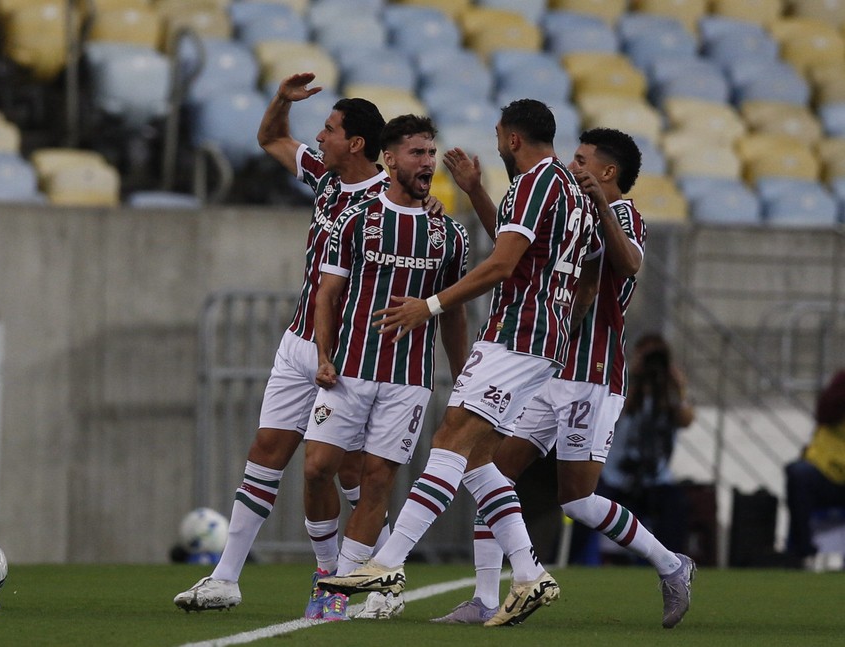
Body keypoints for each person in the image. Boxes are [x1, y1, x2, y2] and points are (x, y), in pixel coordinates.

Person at [318, 99, 600, 627]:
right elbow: (525, 250)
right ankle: (530, 573)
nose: (495, 144)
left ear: (513, 139)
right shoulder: (569, 190)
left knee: (449, 439)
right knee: (476, 460)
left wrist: (428, 304)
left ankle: (387, 561)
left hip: (519, 333)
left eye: (498, 135)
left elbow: (502, 264)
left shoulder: (537, 183)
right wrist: (474, 191)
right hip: (545, 337)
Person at [173, 73, 434, 616]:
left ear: (356, 143)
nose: (319, 137)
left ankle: (373, 574)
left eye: (330, 129)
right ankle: (230, 578)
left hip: (353, 355)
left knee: (348, 471)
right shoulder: (326, 179)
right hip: (300, 343)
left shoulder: (389, 203)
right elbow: (271, 139)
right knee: (268, 453)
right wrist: (280, 100)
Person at [431, 128, 695, 630]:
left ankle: (671, 563)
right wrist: (477, 193)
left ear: (607, 172)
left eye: (580, 159)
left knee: (577, 497)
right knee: (490, 471)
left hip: (590, 375)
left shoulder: (622, 215)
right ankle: (487, 596)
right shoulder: (568, 208)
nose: (571, 166)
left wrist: (598, 206)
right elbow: (520, 249)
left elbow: (631, 262)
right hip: (546, 365)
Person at [301, 114, 470, 620]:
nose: (427, 162)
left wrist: (462, 378)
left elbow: (456, 312)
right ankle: (329, 570)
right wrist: (325, 356)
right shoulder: (356, 218)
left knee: (376, 483)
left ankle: (333, 592)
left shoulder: (449, 234)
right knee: (316, 470)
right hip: (349, 369)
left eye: (431, 153)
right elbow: (327, 294)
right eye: (417, 153)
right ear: (390, 159)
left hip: (409, 380)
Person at [597, 332, 695, 562]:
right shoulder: (625, 387)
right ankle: (579, 559)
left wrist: (678, 389)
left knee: (677, 505)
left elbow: (686, 419)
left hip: (656, 478)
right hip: (616, 476)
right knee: (588, 503)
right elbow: (613, 415)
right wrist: (632, 377)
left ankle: (672, 563)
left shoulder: (668, 396)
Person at [785, 369, 845, 565]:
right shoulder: (840, 384)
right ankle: (801, 551)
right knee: (798, 473)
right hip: (826, 470)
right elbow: (824, 411)